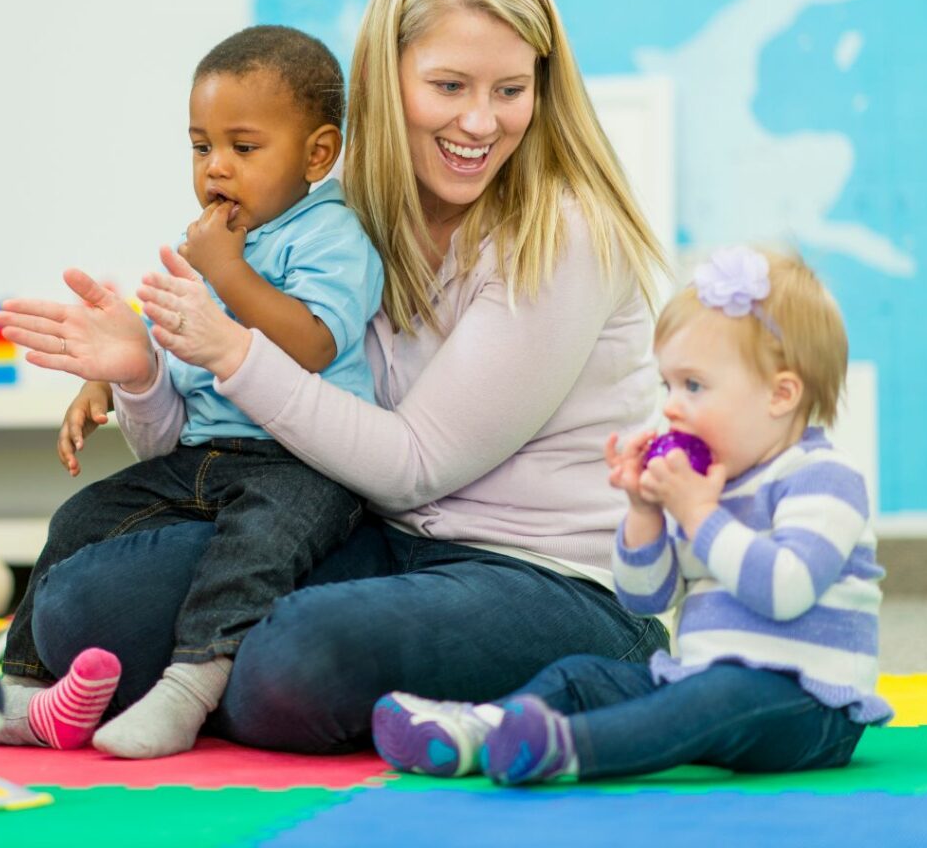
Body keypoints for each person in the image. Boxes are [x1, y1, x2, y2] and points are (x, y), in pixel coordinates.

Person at [0, 0, 670, 756]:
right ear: (388, 85)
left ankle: (602, 676)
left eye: (510, 89)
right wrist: (140, 371)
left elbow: (416, 462)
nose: (479, 121)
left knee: (294, 661)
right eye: (448, 85)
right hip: (375, 539)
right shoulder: (336, 213)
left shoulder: (565, 233)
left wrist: (234, 350)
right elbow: (199, 436)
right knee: (80, 610)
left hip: (543, 575)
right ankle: (231, 683)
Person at [0, 25, 383, 757]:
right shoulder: (216, 243)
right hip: (205, 454)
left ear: (317, 153)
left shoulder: (329, 235)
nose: (217, 169)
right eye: (202, 147)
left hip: (302, 466)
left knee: (254, 549)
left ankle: (191, 685)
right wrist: (115, 376)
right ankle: (27, 687)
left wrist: (227, 271)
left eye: (244, 147)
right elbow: (186, 353)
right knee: (85, 514)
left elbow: (312, 343)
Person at [371, 246, 893, 783]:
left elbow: (787, 589)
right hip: (699, 682)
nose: (670, 405)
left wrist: (698, 515)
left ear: (781, 394)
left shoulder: (823, 477)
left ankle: (566, 750)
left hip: (810, 704)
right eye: (668, 385)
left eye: (694, 385)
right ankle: (480, 731)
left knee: (717, 695)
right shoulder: (709, 486)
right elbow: (646, 598)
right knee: (582, 677)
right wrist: (644, 512)